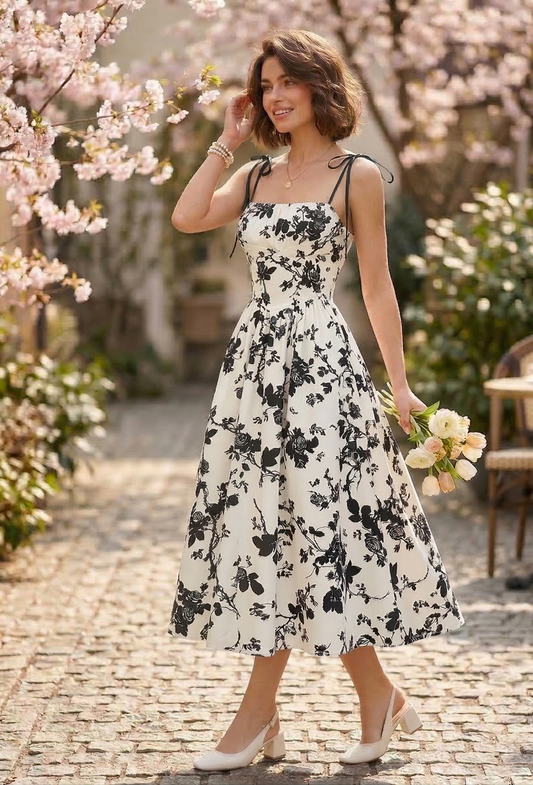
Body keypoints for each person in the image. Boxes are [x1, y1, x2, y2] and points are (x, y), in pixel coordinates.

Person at [167, 28, 465, 772]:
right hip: (254, 370)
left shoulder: (354, 175)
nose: (273, 95)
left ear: (317, 86)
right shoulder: (258, 176)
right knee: (272, 526)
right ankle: (370, 698)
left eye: (285, 82)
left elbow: (375, 284)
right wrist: (225, 142)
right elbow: (188, 215)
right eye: (264, 84)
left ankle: (265, 713)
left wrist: (397, 384)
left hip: (321, 367)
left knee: (311, 525)